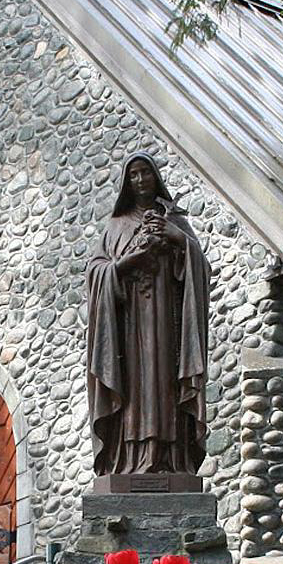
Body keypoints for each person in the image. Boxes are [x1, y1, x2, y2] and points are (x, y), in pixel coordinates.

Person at [86, 153, 210, 479]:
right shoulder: (115, 227)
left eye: (145, 173)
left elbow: (200, 268)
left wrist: (176, 238)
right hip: (128, 328)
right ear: (127, 182)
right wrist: (129, 261)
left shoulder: (174, 221)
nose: (140, 180)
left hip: (168, 324)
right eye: (134, 175)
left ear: (155, 177)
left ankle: (170, 458)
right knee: (135, 388)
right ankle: (128, 459)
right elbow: (97, 272)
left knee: (165, 385)